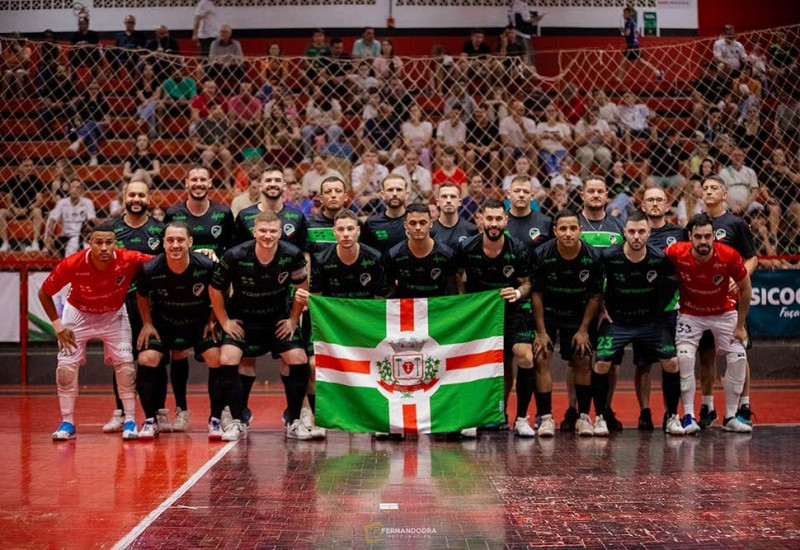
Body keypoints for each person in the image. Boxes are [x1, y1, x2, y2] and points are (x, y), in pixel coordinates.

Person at [39, 222, 152, 440]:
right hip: (78, 315)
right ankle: (67, 422)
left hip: (113, 315)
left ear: (116, 244)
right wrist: (59, 328)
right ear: (89, 243)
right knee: (65, 370)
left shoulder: (128, 258)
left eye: (109, 242)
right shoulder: (73, 263)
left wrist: (200, 253)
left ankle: (130, 420)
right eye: (98, 242)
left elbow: (162, 261)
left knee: (126, 368)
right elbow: (44, 293)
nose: (104, 247)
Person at [210, 210, 312, 440]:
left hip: (277, 319)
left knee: (299, 358)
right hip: (242, 320)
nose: (268, 235)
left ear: (280, 232)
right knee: (227, 358)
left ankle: (294, 420)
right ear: (254, 232)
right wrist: (224, 321)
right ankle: (238, 420)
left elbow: (301, 289)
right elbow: (215, 289)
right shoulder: (235, 255)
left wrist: (293, 319)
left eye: (273, 231)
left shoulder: (292, 254)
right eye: (263, 231)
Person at [594, 211, 682, 435]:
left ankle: (672, 416)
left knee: (672, 362)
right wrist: (601, 308)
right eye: (632, 231)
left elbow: (675, 278)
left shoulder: (659, 258)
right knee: (601, 364)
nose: (636, 236)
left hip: (651, 321)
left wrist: (663, 306)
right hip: (617, 321)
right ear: (624, 232)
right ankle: (600, 417)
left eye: (641, 232)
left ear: (649, 233)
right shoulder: (609, 256)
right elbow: (594, 281)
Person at [666, 213, 752, 433]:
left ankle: (730, 417)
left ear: (714, 235)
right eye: (698, 237)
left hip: (724, 313)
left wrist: (740, 325)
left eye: (707, 236)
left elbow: (746, 289)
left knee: (739, 358)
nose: (703, 241)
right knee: (684, 358)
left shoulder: (729, 255)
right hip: (690, 313)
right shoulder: (676, 252)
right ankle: (688, 417)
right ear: (690, 236)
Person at [136, 222, 222, 440]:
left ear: (190, 242)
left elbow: (219, 291)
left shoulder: (206, 266)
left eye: (180, 240)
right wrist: (147, 323)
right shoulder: (150, 268)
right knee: (146, 359)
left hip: (197, 323)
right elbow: (142, 295)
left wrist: (213, 319)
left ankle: (216, 419)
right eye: (170, 240)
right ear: (164, 243)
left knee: (216, 358)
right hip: (164, 324)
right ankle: (150, 420)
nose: (175, 245)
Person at [455, 200, 532, 437]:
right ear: (481, 220)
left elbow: (527, 284)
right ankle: (473, 416)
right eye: (489, 219)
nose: (494, 223)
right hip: (479, 315)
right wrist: (465, 304)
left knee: (524, 356)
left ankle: (519, 418)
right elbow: (458, 276)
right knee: (472, 364)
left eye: (498, 219)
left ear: (506, 220)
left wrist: (517, 293)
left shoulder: (518, 248)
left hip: (510, 312)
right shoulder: (467, 247)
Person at [531, 209, 603, 437]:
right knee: (541, 356)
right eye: (563, 229)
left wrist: (584, 330)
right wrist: (541, 331)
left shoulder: (593, 256)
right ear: (555, 231)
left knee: (583, 358)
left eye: (573, 228)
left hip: (579, 314)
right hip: (549, 312)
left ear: (580, 230)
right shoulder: (542, 254)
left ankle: (583, 417)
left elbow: (595, 296)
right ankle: (545, 418)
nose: (568, 233)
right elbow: (536, 294)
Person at [696, 176, 758, 429]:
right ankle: (707, 406)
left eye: (714, 188)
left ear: (724, 195)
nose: (709, 191)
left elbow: (752, 258)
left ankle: (744, 405)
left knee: (738, 352)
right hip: (703, 300)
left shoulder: (736, 224)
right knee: (706, 354)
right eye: (705, 188)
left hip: (730, 301)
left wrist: (739, 278)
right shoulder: (697, 223)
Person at [105, 180, 166, 434]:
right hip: (121, 303)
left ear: (149, 199)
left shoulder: (160, 230)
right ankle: (121, 411)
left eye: (141, 195)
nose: (137, 199)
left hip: (153, 302)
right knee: (122, 358)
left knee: (155, 357)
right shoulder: (112, 230)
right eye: (132, 195)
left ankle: (159, 412)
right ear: (124, 197)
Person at [633, 186, 686, 430]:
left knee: (671, 362)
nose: (655, 204)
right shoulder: (636, 232)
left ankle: (671, 413)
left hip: (671, 308)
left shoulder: (679, 233)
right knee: (643, 364)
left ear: (667, 205)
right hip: (642, 308)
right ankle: (644, 412)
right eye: (650, 200)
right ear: (643, 205)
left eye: (659, 200)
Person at [384, 202, 456, 299]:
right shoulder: (394, 254)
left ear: (431, 224)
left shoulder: (447, 254)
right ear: (405, 225)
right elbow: (390, 291)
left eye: (423, 223)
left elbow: (451, 291)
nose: (418, 228)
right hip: (407, 306)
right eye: (413, 223)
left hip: (437, 306)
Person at [234, 165, 308, 250]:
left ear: (284, 186)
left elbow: (304, 252)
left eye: (277, 180)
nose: (273, 184)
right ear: (260, 186)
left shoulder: (297, 217)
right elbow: (235, 251)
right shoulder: (244, 216)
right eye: (268, 180)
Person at [165, 165, 234, 255]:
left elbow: (232, 248)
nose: (198, 184)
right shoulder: (173, 214)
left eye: (203, 180)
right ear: (186, 183)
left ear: (210, 183)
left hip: (215, 264)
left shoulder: (224, 213)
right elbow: (166, 247)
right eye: (194, 180)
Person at [0, 157, 47, 252]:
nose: (29, 168)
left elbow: (39, 201)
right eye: (26, 166)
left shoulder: (37, 181)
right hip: (14, 211)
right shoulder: (12, 181)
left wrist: (26, 209)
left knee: (38, 211)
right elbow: (8, 200)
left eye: (31, 166)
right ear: (20, 167)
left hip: (29, 211)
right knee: (1, 212)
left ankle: (35, 242)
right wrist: (15, 209)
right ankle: (5, 243)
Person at [45, 179, 97, 258]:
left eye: (78, 188)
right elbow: (52, 219)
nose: (75, 190)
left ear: (81, 190)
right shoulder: (62, 203)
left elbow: (92, 221)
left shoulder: (88, 203)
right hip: (66, 236)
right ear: (69, 189)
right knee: (52, 246)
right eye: (73, 187)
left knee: (75, 246)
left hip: (81, 236)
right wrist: (49, 237)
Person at [361, 174, 409, 253]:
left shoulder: (415, 222)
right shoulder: (372, 223)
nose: (394, 193)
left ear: (406, 194)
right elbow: (366, 253)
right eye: (390, 190)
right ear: (382, 195)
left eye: (399, 190)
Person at [68, 81, 111, 167]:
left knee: (91, 123)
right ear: (87, 89)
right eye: (91, 88)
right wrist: (79, 123)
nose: (93, 90)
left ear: (99, 90)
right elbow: (76, 119)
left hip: (99, 129)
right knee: (91, 132)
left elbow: (107, 122)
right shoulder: (83, 102)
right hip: (86, 129)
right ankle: (94, 157)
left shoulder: (103, 103)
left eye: (96, 88)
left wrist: (94, 123)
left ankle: (78, 141)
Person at [505, 175, 552, 250]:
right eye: (516, 191)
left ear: (532, 196)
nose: (521, 195)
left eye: (526, 192)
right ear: (509, 194)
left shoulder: (545, 222)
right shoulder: (500, 221)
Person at [617, 6, 663, 81]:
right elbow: (637, 33)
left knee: (623, 61)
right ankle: (658, 72)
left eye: (625, 13)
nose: (623, 15)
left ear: (629, 14)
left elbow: (627, 33)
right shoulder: (633, 22)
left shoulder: (628, 23)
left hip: (631, 46)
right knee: (641, 62)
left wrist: (622, 31)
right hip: (635, 45)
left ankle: (619, 78)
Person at [306, 176, 350, 254]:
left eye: (338, 191)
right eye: (328, 192)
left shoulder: (355, 223)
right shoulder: (309, 224)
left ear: (345, 197)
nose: (333, 195)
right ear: (321, 198)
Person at [193, 105, 233, 187]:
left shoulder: (224, 124)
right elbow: (195, 144)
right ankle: (205, 181)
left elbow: (227, 143)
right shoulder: (202, 123)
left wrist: (223, 146)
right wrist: (209, 147)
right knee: (209, 154)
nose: (218, 110)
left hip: (220, 148)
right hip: (207, 149)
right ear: (209, 110)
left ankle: (227, 181)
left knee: (227, 154)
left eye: (220, 108)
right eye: (215, 108)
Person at [431, 183, 478, 251]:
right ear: (437, 202)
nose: (448, 201)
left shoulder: (471, 229)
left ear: (460, 202)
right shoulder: (430, 230)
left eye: (453, 196)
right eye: (444, 196)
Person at [717, 148, 760, 216]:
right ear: (730, 157)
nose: (737, 157)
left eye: (740, 155)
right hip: (729, 204)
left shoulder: (750, 171)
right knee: (720, 207)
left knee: (758, 207)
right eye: (735, 155)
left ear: (744, 157)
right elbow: (721, 191)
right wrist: (732, 206)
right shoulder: (724, 172)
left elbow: (755, 190)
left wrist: (746, 204)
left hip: (746, 203)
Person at [350, 149, 389, 215]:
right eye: (368, 156)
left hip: (378, 196)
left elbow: (386, 191)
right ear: (363, 157)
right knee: (355, 202)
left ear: (377, 157)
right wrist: (367, 175)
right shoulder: (357, 170)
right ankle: (352, 220)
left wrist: (369, 198)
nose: (370, 159)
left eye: (373, 156)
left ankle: (383, 220)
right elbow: (357, 192)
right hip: (362, 196)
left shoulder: (384, 170)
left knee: (384, 202)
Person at [207, 25, 245, 90]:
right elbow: (211, 58)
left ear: (230, 34)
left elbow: (240, 59)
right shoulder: (214, 43)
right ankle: (210, 89)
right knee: (209, 69)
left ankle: (238, 90)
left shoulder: (236, 44)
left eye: (224, 32)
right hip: (218, 66)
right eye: (221, 32)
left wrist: (230, 63)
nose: (222, 34)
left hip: (232, 66)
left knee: (240, 70)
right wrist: (221, 63)